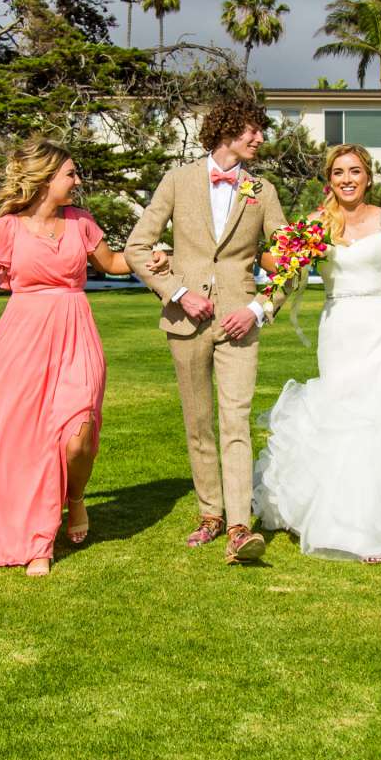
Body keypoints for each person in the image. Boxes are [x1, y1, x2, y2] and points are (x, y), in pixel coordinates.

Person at [0, 140, 143, 574]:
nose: (77, 181)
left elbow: (112, 263)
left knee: (78, 434)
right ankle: (38, 539)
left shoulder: (82, 222)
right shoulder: (7, 228)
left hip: (76, 332)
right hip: (21, 340)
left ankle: (76, 499)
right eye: (70, 174)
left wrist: (153, 256)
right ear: (45, 179)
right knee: (17, 438)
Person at [251, 144, 381, 562]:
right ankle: (344, 519)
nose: (346, 179)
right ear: (328, 179)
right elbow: (271, 258)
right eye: (337, 173)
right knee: (344, 414)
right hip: (339, 327)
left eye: (354, 171)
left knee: (380, 416)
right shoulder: (316, 223)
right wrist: (292, 256)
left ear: (368, 176)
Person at [126, 94, 290, 564]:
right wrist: (177, 291)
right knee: (199, 424)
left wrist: (259, 308)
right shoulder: (177, 181)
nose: (260, 138)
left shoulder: (264, 191)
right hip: (186, 320)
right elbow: (138, 247)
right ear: (226, 130)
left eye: (261, 131)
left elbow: (291, 261)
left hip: (240, 322)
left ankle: (239, 528)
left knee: (235, 421)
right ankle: (210, 515)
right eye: (252, 130)